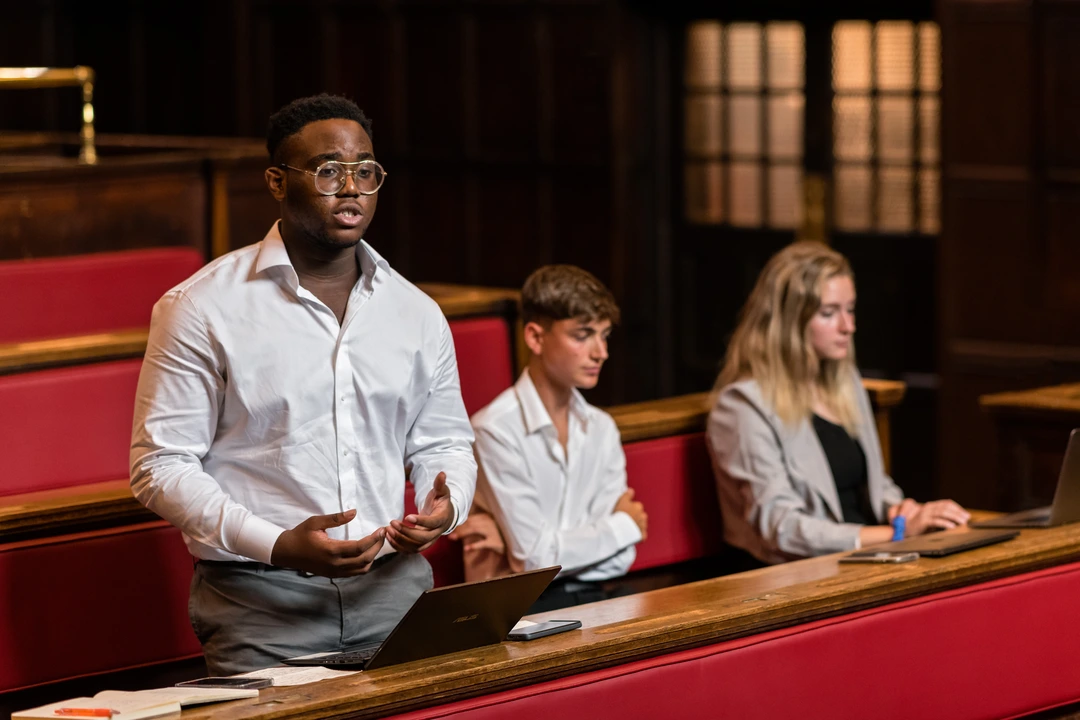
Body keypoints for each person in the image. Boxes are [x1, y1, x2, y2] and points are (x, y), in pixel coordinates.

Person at [129, 94, 476, 674]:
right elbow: (160, 465)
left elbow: (443, 441)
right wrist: (277, 543)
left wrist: (449, 504)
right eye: (328, 171)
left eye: (365, 171)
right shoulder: (201, 307)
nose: (352, 189)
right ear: (275, 181)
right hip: (260, 601)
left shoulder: (416, 312)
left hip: (396, 593)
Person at [707, 241, 969, 566]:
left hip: (863, 558)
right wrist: (899, 535)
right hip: (787, 576)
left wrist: (903, 511)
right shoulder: (743, 406)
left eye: (850, 309)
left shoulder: (846, 384)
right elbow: (781, 530)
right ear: (789, 322)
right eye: (829, 313)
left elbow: (875, 486)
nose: (848, 327)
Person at [452, 265, 647, 613]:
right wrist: (624, 526)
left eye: (605, 335)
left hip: (598, 599)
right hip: (518, 612)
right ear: (536, 337)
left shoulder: (601, 427)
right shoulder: (495, 429)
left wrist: (534, 552)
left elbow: (622, 560)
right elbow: (534, 560)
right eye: (583, 334)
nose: (600, 352)